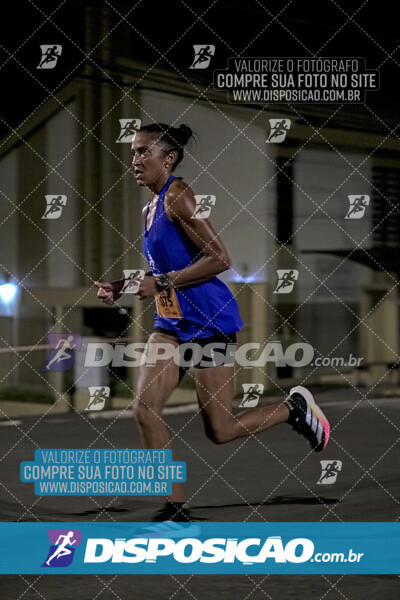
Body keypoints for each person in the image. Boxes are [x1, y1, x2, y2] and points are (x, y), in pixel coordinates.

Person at [95, 123, 330, 531]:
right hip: (170, 323)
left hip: (209, 323)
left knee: (220, 430)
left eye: (142, 152)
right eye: (132, 152)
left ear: (168, 159)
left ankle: (294, 410)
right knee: (145, 410)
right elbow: (161, 271)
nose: (134, 160)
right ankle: (174, 511)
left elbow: (220, 258)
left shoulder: (179, 196)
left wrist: (161, 283)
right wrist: (124, 285)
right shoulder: (148, 209)